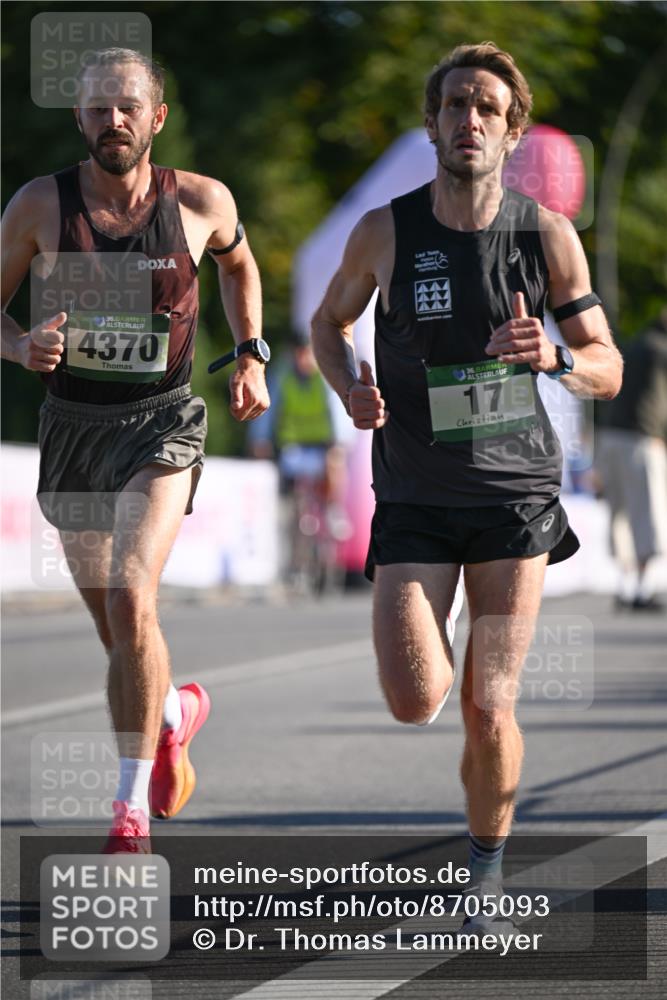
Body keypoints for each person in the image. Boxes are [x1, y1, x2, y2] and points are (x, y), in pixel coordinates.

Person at [312, 42, 622, 933]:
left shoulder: (545, 236)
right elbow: (327, 323)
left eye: (487, 106)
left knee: (490, 706)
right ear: (432, 122)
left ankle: (482, 872)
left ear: (511, 128)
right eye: (454, 104)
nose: (469, 119)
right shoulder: (385, 229)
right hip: (411, 490)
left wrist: (557, 357)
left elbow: (606, 365)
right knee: (414, 701)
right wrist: (348, 384)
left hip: (512, 497)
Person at [1, 48, 270, 851]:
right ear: (78, 118)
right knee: (119, 631)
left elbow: (240, 265)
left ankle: (128, 809)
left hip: (163, 421)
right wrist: (20, 350)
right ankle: (173, 713)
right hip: (73, 428)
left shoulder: (199, 201)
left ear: (156, 117)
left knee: (129, 594)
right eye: (95, 108)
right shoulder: (40, 207)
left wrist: (250, 350)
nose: (110, 121)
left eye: (126, 106)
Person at [248, 332, 348, 589]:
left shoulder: (323, 379)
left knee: (334, 466)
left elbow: (337, 411)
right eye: (299, 354)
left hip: (322, 445)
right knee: (294, 501)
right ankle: (296, 542)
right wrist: (261, 439)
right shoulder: (284, 377)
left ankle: (333, 509)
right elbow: (269, 410)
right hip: (294, 445)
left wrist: (339, 443)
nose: (303, 359)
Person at [597, 307, 667, 611]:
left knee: (619, 515)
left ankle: (625, 587)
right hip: (642, 439)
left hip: (610, 436)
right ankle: (643, 588)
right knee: (647, 515)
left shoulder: (634, 343)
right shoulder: (661, 351)